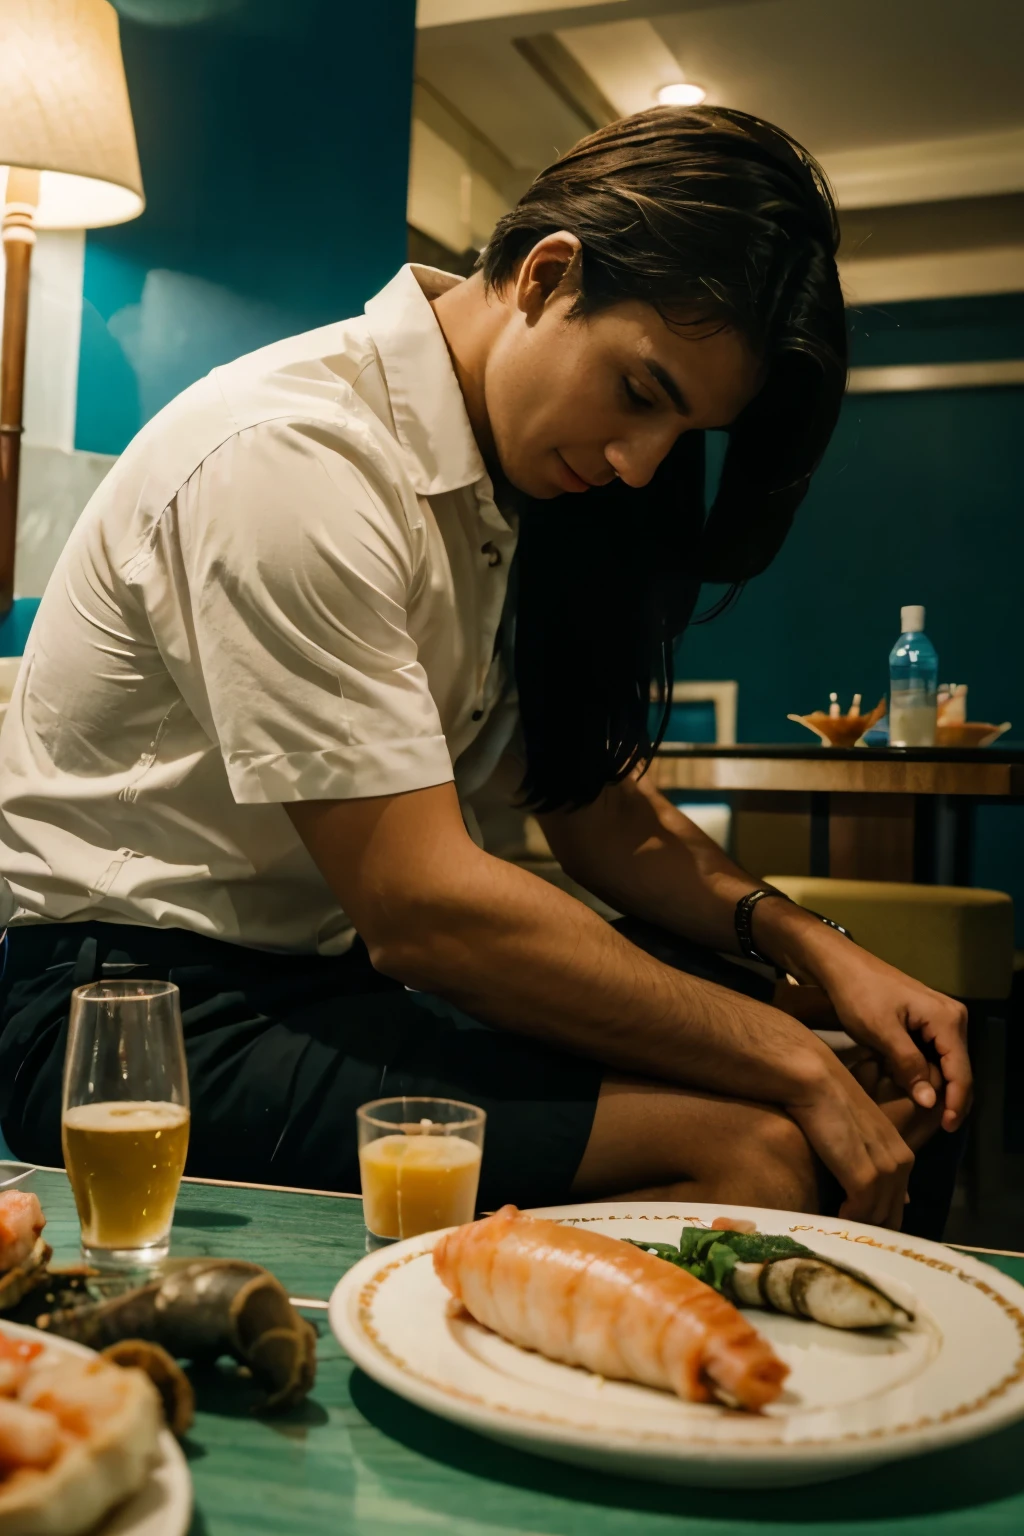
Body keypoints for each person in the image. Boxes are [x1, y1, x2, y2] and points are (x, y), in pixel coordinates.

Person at [0, 106, 969, 1231]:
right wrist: (782, 1053)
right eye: (643, 393)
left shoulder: (487, 489)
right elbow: (422, 908)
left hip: (320, 984)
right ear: (547, 275)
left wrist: (808, 947)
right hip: (126, 1015)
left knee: (863, 1092)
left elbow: (604, 814)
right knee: (756, 1152)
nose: (639, 464)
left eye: (681, 433)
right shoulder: (296, 457)